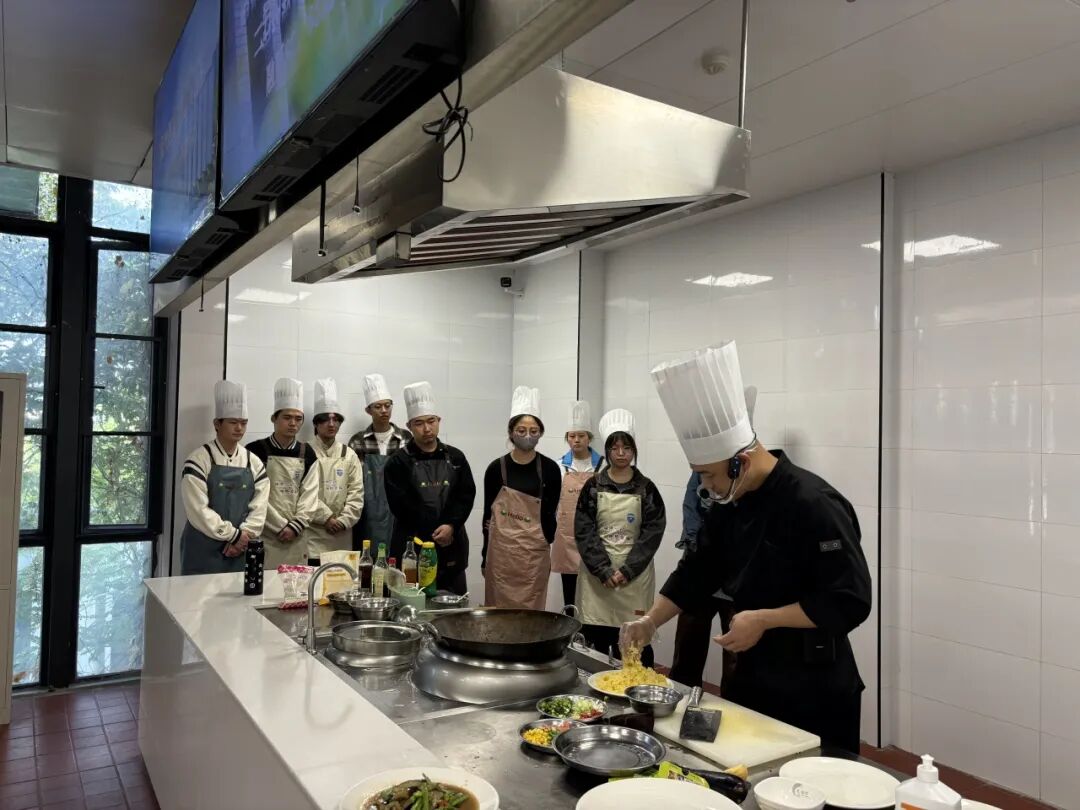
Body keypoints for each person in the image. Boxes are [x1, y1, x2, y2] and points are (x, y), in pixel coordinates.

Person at [621, 341, 872, 753]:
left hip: (814, 686)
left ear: (742, 462)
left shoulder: (813, 503)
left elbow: (850, 600)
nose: (705, 487)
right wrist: (650, 622)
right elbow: (697, 571)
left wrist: (765, 619)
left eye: (708, 475)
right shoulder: (730, 503)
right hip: (754, 678)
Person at [669, 387, 756, 689]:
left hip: (736, 579)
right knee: (689, 641)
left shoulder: (756, 481)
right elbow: (691, 506)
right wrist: (696, 545)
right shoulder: (708, 468)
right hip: (701, 568)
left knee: (735, 652)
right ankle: (680, 694)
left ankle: (735, 702)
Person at [575, 409, 666, 666]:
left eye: (626, 448)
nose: (621, 453)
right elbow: (584, 530)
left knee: (635, 640)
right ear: (607, 451)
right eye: (614, 448)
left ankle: (636, 683)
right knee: (596, 638)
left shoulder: (646, 488)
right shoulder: (593, 486)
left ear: (634, 450)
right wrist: (603, 569)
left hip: (634, 577)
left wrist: (627, 570)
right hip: (597, 579)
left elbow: (652, 533)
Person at [384, 381, 476, 594]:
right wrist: (434, 531)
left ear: (438, 421)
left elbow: (465, 496)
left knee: (454, 606)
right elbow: (401, 506)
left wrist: (451, 525)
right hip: (412, 548)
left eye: (431, 421)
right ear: (409, 426)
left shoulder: (456, 458)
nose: (427, 429)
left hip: (451, 546)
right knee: (412, 605)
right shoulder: (397, 463)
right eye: (419, 423)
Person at [482, 387, 562, 610]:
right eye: (521, 430)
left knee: (531, 619)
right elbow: (488, 517)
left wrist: (543, 540)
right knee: (499, 617)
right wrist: (484, 555)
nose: (528, 436)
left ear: (541, 433)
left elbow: (550, 513)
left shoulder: (550, 469)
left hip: (533, 558)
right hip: (501, 558)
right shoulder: (496, 469)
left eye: (534, 431)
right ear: (511, 432)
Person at [180, 381, 270, 574]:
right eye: (233, 422)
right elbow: (197, 510)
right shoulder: (199, 459)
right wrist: (233, 535)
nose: (239, 428)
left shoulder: (253, 462)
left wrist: (244, 537)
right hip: (202, 548)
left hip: (241, 549)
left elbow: (260, 507)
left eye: (243, 423)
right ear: (217, 424)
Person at [247, 378, 320, 568]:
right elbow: (254, 495)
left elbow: (310, 495)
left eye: (298, 419)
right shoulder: (255, 451)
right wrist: (280, 526)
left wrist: (295, 526)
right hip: (264, 532)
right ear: (274, 418)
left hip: (297, 536)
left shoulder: (308, 453)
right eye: (287, 417)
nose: (293, 423)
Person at [348, 373, 412, 552]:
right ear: (368, 410)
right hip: (367, 514)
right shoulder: (358, 442)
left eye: (387, 405)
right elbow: (353, 482)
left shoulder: (406, 439)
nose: (384, 410)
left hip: (399, 511)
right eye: (378, 406)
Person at [304, 378, 364, 565]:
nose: (331, 424)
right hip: (312, 536)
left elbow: (356, 493)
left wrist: (344, 521)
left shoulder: (349, 454)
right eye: (325, 419)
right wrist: (326, 518)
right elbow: (303, 494)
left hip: (342, 536)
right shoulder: (304, 452)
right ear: (316, 423)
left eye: (336, 419)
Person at [551, 400, 603, 607]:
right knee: (570, 594)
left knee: (595, 594)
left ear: (589, 438)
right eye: (572, 436)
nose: (576, 440)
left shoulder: (603, 466)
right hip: (567, 538)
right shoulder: (558, 467)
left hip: (596, 537)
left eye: (581, 435)